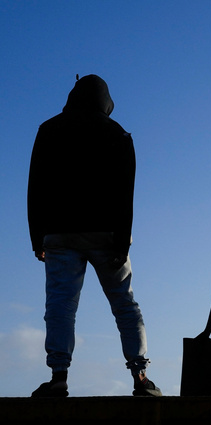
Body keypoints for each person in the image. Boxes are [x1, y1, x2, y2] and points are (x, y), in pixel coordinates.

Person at [27, 74, 161, 398]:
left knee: (60, 306)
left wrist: (36, 237)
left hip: (59, 234)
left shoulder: (48, 130)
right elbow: (124, 195)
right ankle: (140, 377)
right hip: (106, 234)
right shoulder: (117, 134)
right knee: (125, 304)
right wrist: (122, 240)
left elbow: (36, 188)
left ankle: (59, 377)